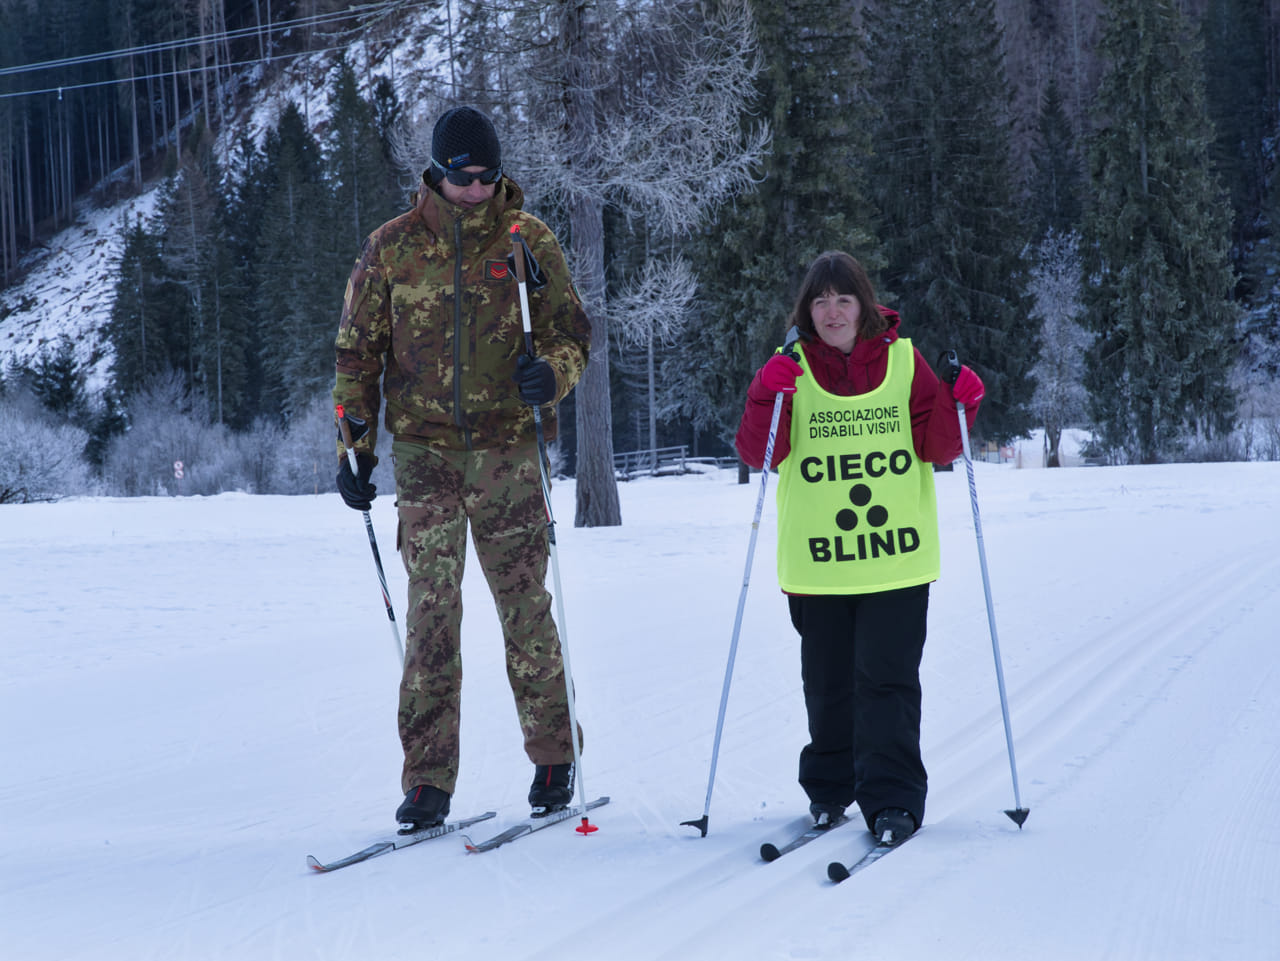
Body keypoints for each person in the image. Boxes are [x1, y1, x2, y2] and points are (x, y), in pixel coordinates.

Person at [332, 105, 592, 831]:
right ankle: (427, 781)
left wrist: (553, 374)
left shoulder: (527, 240)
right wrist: (355, 448)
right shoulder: (391, 249)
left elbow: (573, 332)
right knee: (431, 620)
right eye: (462, 177)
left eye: (487, 177)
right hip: (425, 455)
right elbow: (356, 354)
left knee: (525, 610)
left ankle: (553, 755)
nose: (476, 190)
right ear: (438, 173)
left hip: (508, 449)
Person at [734, 251, 985, 844]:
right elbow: (757, 454)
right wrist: (765, 394)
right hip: (819, 561)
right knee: (826, 683)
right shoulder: (788, 367)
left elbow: (939, 447)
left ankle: (893, 799)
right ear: (807, 310)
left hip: (895, 558)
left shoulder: (903, 360)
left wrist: (963, 401)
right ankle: (829, 790)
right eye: (820, 300)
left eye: (843, 299)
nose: (832, 311)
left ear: (864, 305)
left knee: (887, 681)